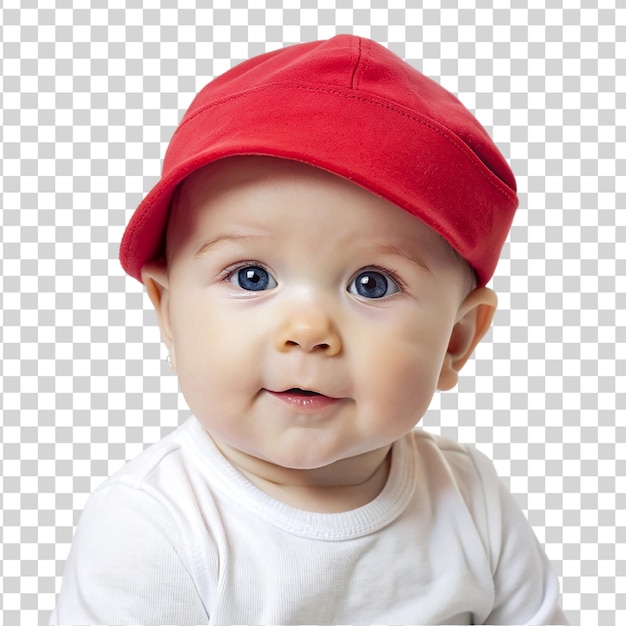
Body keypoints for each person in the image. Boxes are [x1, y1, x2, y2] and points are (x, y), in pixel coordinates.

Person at [50, 35, 568, 625]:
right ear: (168, 311)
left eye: (372, 283)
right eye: (250, 276)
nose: (307, 330)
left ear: (456, 340)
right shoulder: (151, 526)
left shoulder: (473, 502)